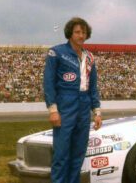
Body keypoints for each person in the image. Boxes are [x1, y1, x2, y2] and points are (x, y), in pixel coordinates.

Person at [43, 17, 102, 183]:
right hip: (65, 105)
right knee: (61, 155)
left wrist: (97, 112)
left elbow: (93, 87)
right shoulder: (56, 52)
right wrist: (53, 110)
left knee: (78, 155)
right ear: (70, 33)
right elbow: (48, 83)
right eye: (77, 32)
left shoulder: (90, 57)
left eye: (83, 32)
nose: (81, 35)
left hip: (84, 107)